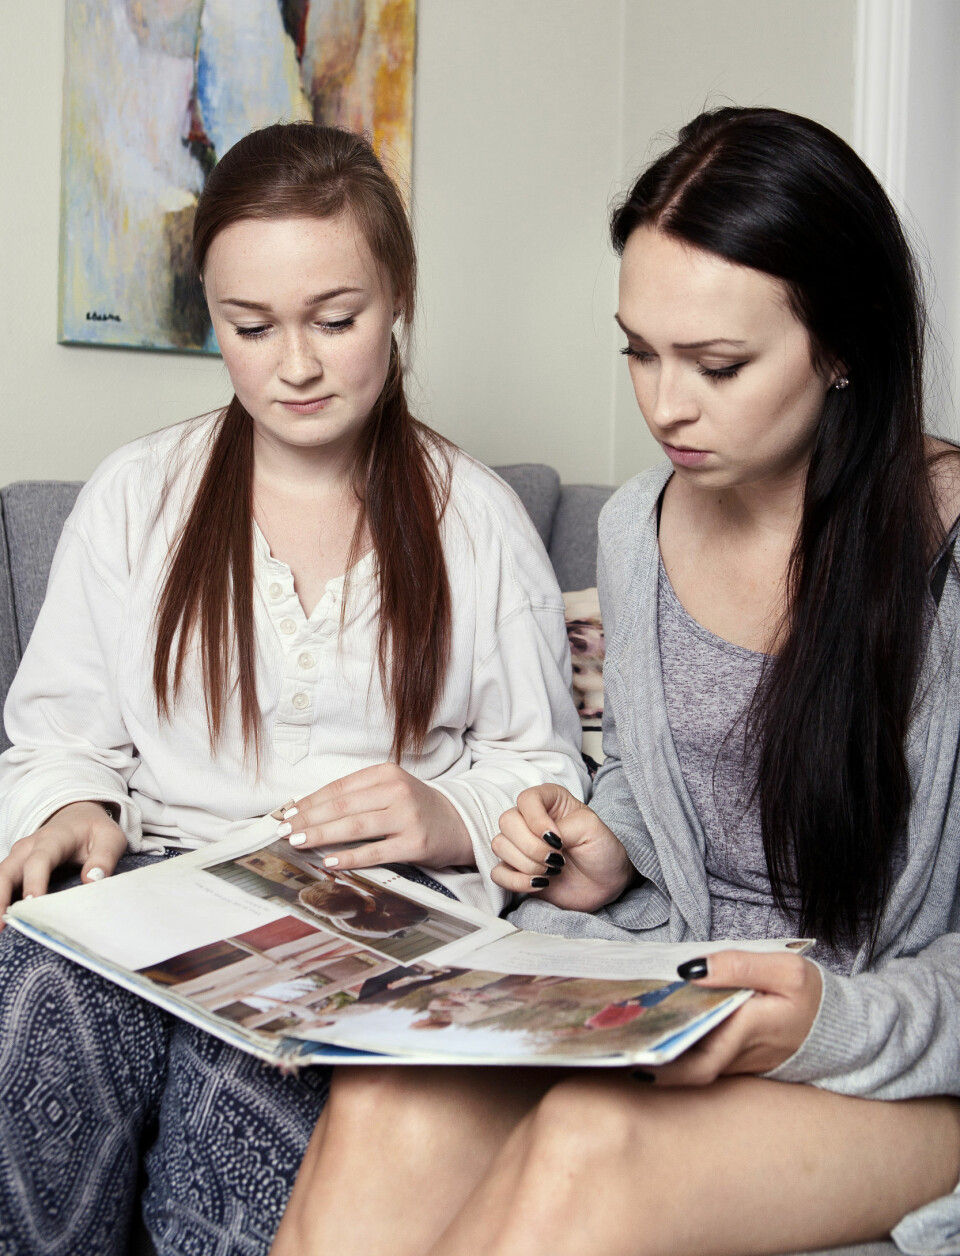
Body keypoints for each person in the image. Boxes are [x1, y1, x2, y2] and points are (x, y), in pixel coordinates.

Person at [270, 108, 960, 1256]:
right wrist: (612, 846)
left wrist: (829, 1024)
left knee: (590, 1143)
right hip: (678, 986)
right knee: (391, 1093)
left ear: (845, 347)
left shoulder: (945, 556)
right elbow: (653, 775)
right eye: (639, 352)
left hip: (881, 1048)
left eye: (718, 364)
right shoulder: (640, 528)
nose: (666, 404)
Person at [0, 122, 587, 1256]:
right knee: (36, 996)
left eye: (335, 319)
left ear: (398, 295)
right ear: (211, 320)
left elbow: (541, 766)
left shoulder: (476, 520)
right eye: (251, 326)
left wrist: (446, 812)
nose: (296, 365)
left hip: (365, 913)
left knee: (245, 1084)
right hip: (155, 884)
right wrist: (71, 806)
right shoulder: (136, 496)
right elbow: (61, 734)